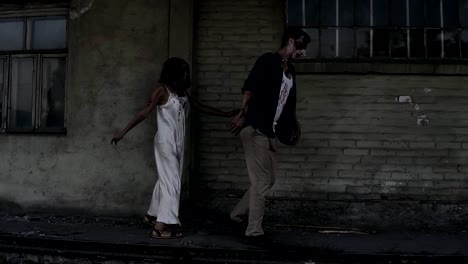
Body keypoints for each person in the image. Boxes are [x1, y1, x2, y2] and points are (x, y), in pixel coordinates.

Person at [111, 57, 238, 239]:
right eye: (184, 72)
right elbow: (144, 112)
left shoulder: (181, 91)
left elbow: (199, 107)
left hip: (178, 142)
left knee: (166, 179)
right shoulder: (161, 91)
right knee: (173, 182)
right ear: (174, 73)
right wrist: (123, 132)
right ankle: (160, 228)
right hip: (165, 142)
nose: (187, 75)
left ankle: (151, 215)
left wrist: (225, 113)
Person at [229, 27, 311, 238]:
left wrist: (292, 124)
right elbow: (249, 89)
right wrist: (242, 114)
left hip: (271, 132)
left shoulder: (290, 71)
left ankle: (237, 214)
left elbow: (285, 103)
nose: (303, 53)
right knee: (262, 181)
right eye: (301, 47)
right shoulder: (267, 61)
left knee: (269, 179)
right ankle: (254, 230)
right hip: (256, 127)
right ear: (291, 41)